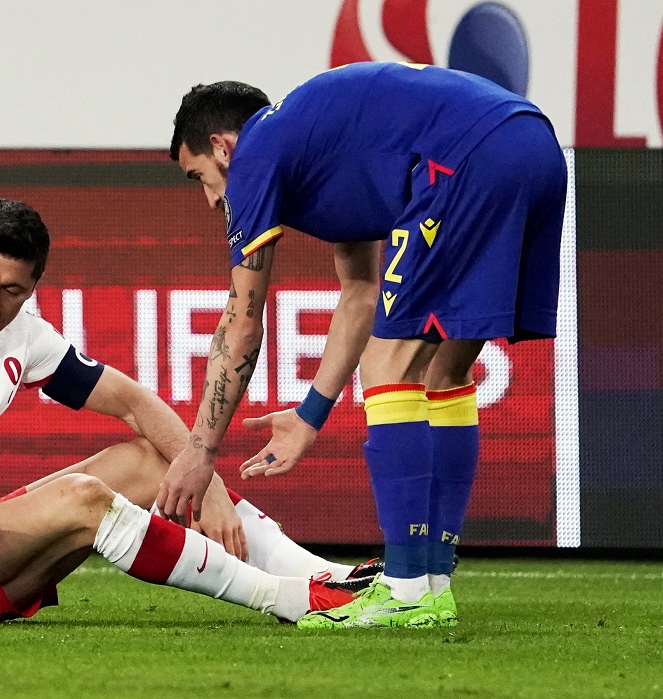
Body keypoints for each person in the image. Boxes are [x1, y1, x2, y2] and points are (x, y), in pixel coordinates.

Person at [0, 197, 377, 625]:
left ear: (33, 287)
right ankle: (289, 601)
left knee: (149, 462)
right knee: (86, 498)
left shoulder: (21, 333)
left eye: (12, 290)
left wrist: (210, 485)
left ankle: (326, 576)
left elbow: (135, 404)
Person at [158, 62, 567, 629]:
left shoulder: (254, 154)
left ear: (222, 147)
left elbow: (241, 324)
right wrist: (310, 415)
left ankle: (405, 591)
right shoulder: (322, 146)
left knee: (388, 361)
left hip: (465, 158)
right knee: (443, 373)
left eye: (199, 176)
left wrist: (200, 451)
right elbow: (359, 295)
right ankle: (431, 583)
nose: (209, 199)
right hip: (535, 147)